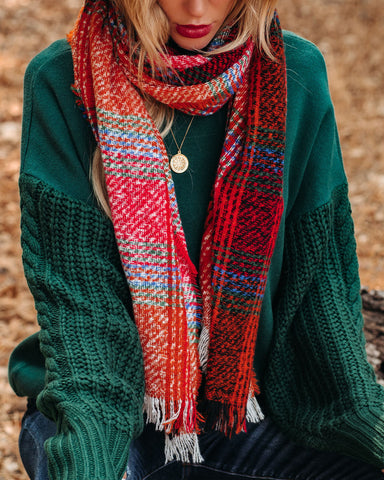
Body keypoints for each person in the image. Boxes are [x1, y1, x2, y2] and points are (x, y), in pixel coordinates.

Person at [8, 0, 384, 479]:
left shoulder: (294, 73)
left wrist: (365, 422)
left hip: (246, 412)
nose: (197, 8)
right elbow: (83, 319)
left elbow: (320, 288)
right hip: (103, 416)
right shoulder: (62, 80)